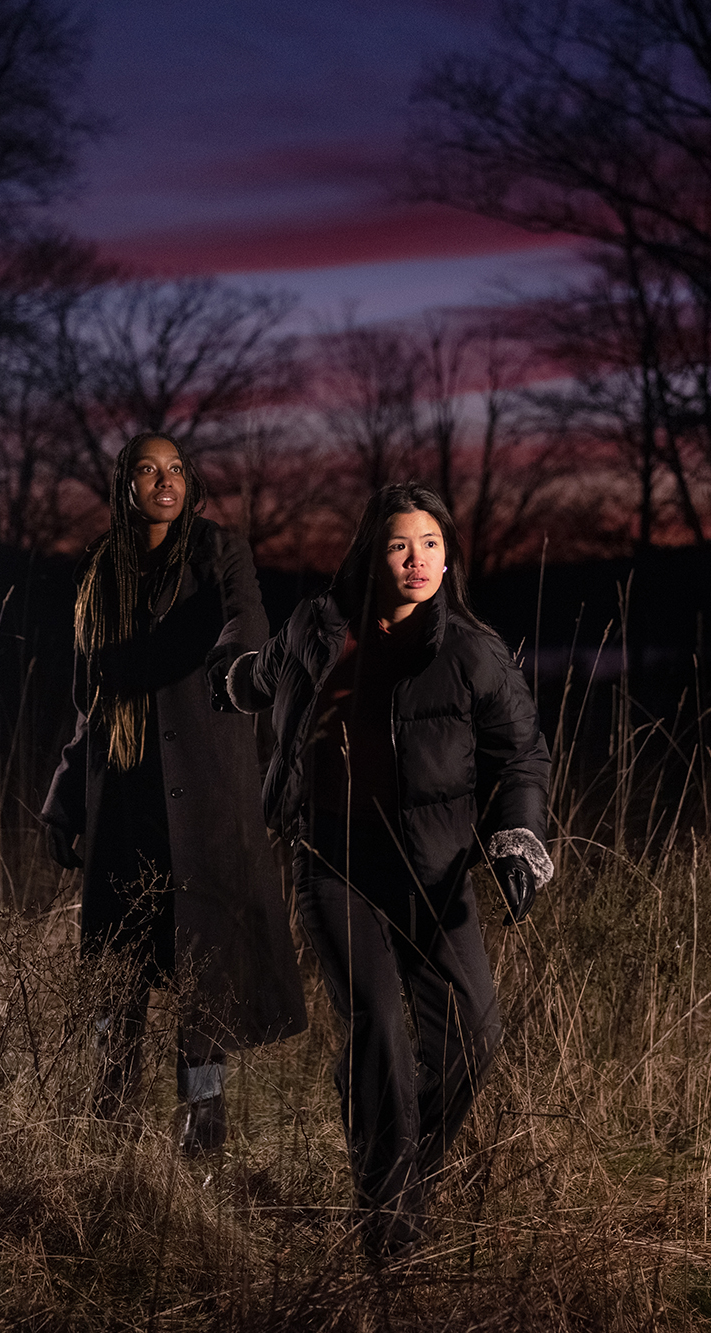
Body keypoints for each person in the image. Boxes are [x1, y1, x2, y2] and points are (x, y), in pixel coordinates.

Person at [226, 482, 554, 1259]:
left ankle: (402, 1164)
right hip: (336, 866)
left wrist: (517, 836)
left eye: (433, 543)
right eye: (400, 544)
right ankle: (390, 1230)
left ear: (450, 556)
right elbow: (270, 669)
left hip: (434, 875)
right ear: (373, 553)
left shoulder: (474, 651)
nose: (418, 559)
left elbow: (522, 756)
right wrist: (224, 681)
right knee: (378, 1028)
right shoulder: (321, 625)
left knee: (475, 1037)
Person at [41, 432, 307, 1153]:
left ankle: (203, 1124)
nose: (166, 481)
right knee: (116, 961)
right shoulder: (99, 571)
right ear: (123, 482)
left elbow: (241, 624)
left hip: (206, 794)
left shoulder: (217, 552)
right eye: (148, 470)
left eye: (177, 469)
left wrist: (234, 664)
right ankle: (109, 1123)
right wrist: (65, 793)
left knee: (206, 963)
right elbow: (87, 698)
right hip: (124, 794)